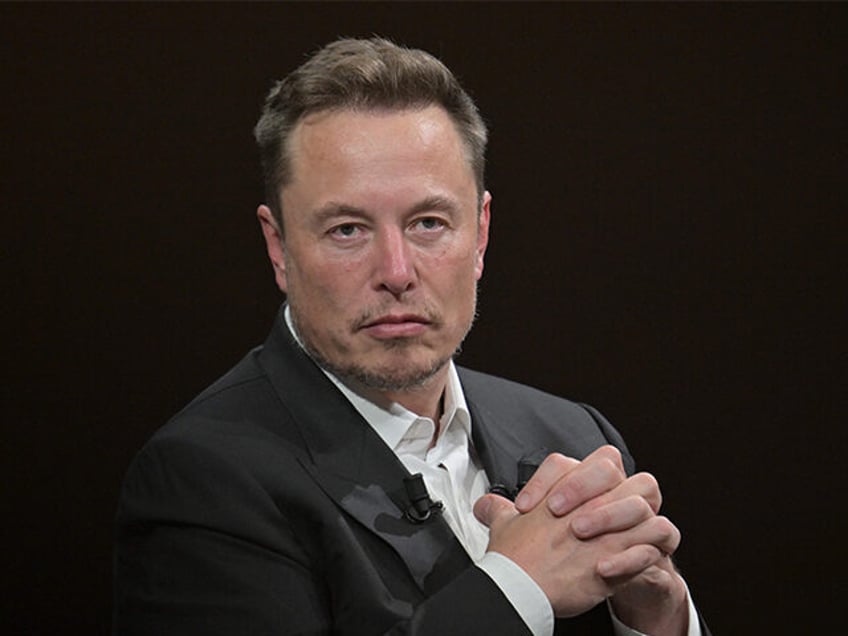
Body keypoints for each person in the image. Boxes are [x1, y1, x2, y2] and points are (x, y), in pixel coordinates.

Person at [113, 38, 710, 635]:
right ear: (279, 247)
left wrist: (656, 618)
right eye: (347, 230)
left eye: (428, 223)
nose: (396, 272)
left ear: (479, 234)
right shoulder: (202, 481)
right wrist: (515, 587)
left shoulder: (573, 435)